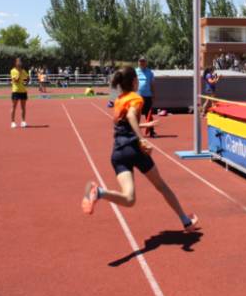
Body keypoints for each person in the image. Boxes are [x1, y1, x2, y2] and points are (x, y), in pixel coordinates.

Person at [82, 66, 200, 232]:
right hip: (134, 150)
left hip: (118, 152)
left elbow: (123, 124)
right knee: (161, 186)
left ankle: (99, 192)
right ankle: (186, 221)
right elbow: (131, 116)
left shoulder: (119, 100)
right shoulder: (136, 98)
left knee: (129, 199)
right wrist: (142, 139)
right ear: (134, 81)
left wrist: (144, 125)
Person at [135, 56, 157, 138]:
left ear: (146, 62)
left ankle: (152, 131)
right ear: (138, 62)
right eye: (140, 61)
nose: (142, 63)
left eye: (143, 61)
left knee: (149, 114)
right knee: (136, 114)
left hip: (147, 96)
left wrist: (153, 94)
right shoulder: (135, 72)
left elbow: (152, 84)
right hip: (137, 97)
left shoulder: (150, 72)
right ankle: (135, 132)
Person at [10, 57, 29, 128]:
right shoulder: (13, 71)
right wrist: (20, 73)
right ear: (15, 63)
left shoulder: (23, 71)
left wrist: (26, 83)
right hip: (15, 91)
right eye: (18, 61)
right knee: (14, 107)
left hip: (23, 91)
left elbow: (28, 78)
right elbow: (16, 80)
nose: (19, 63)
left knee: (23, 107)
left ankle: (23, 121)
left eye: (20, 61)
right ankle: (13, 122)